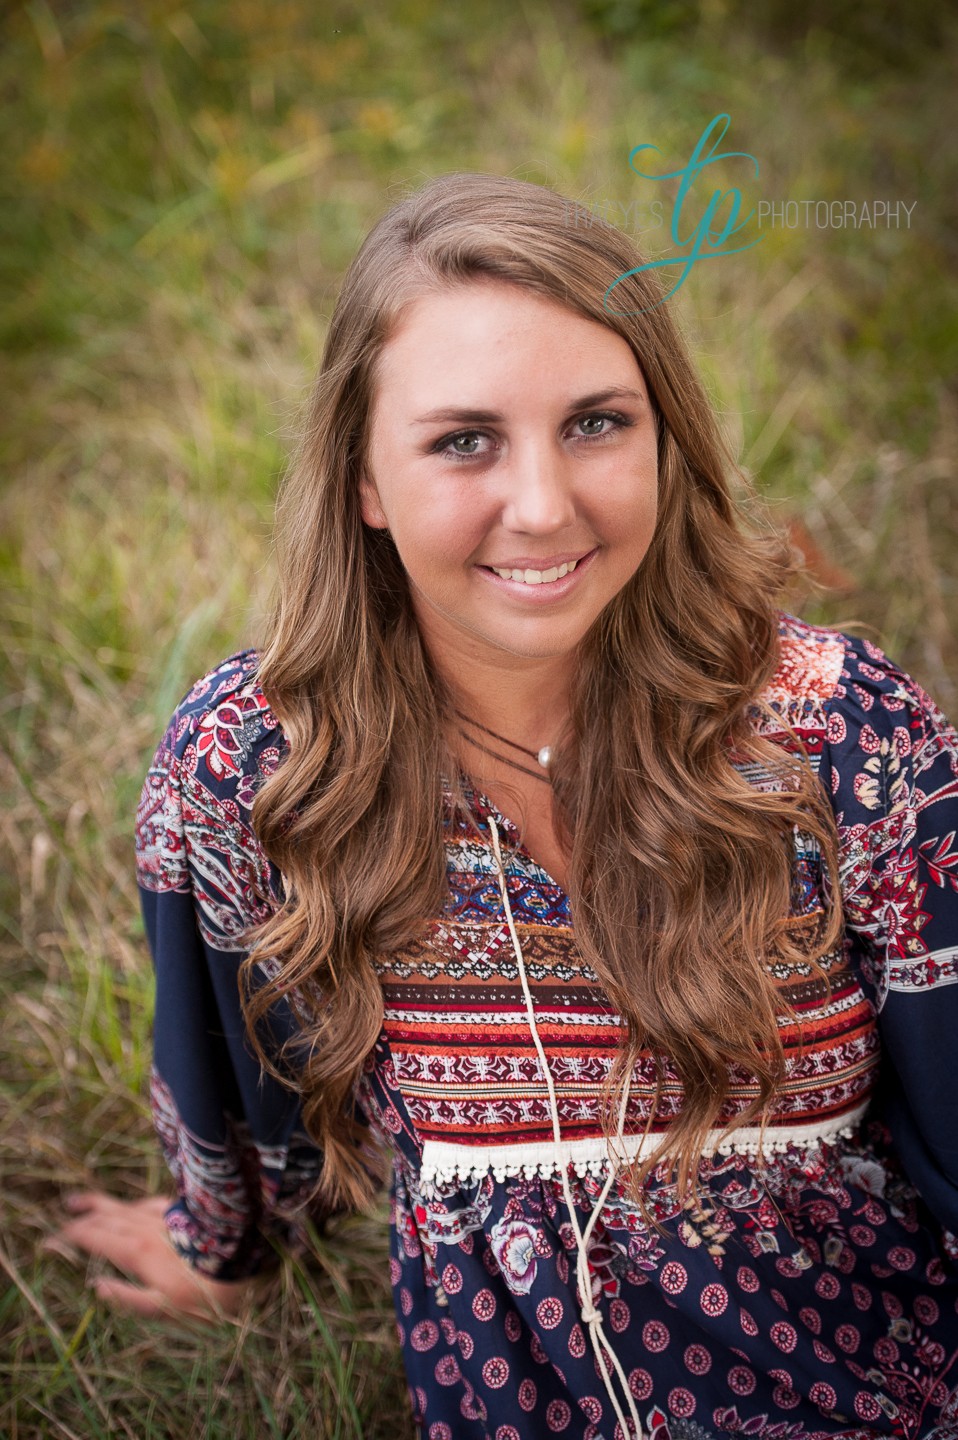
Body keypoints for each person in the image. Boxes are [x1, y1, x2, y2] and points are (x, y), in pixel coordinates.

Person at [57, 173, 958, 1440]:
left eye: (596, 423)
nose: (542, 506)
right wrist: (223, 1243)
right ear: (363, 480)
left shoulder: (839, 733)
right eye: (463, 440)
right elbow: (233, 1065)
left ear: (665, 437)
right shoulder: (257, 766)